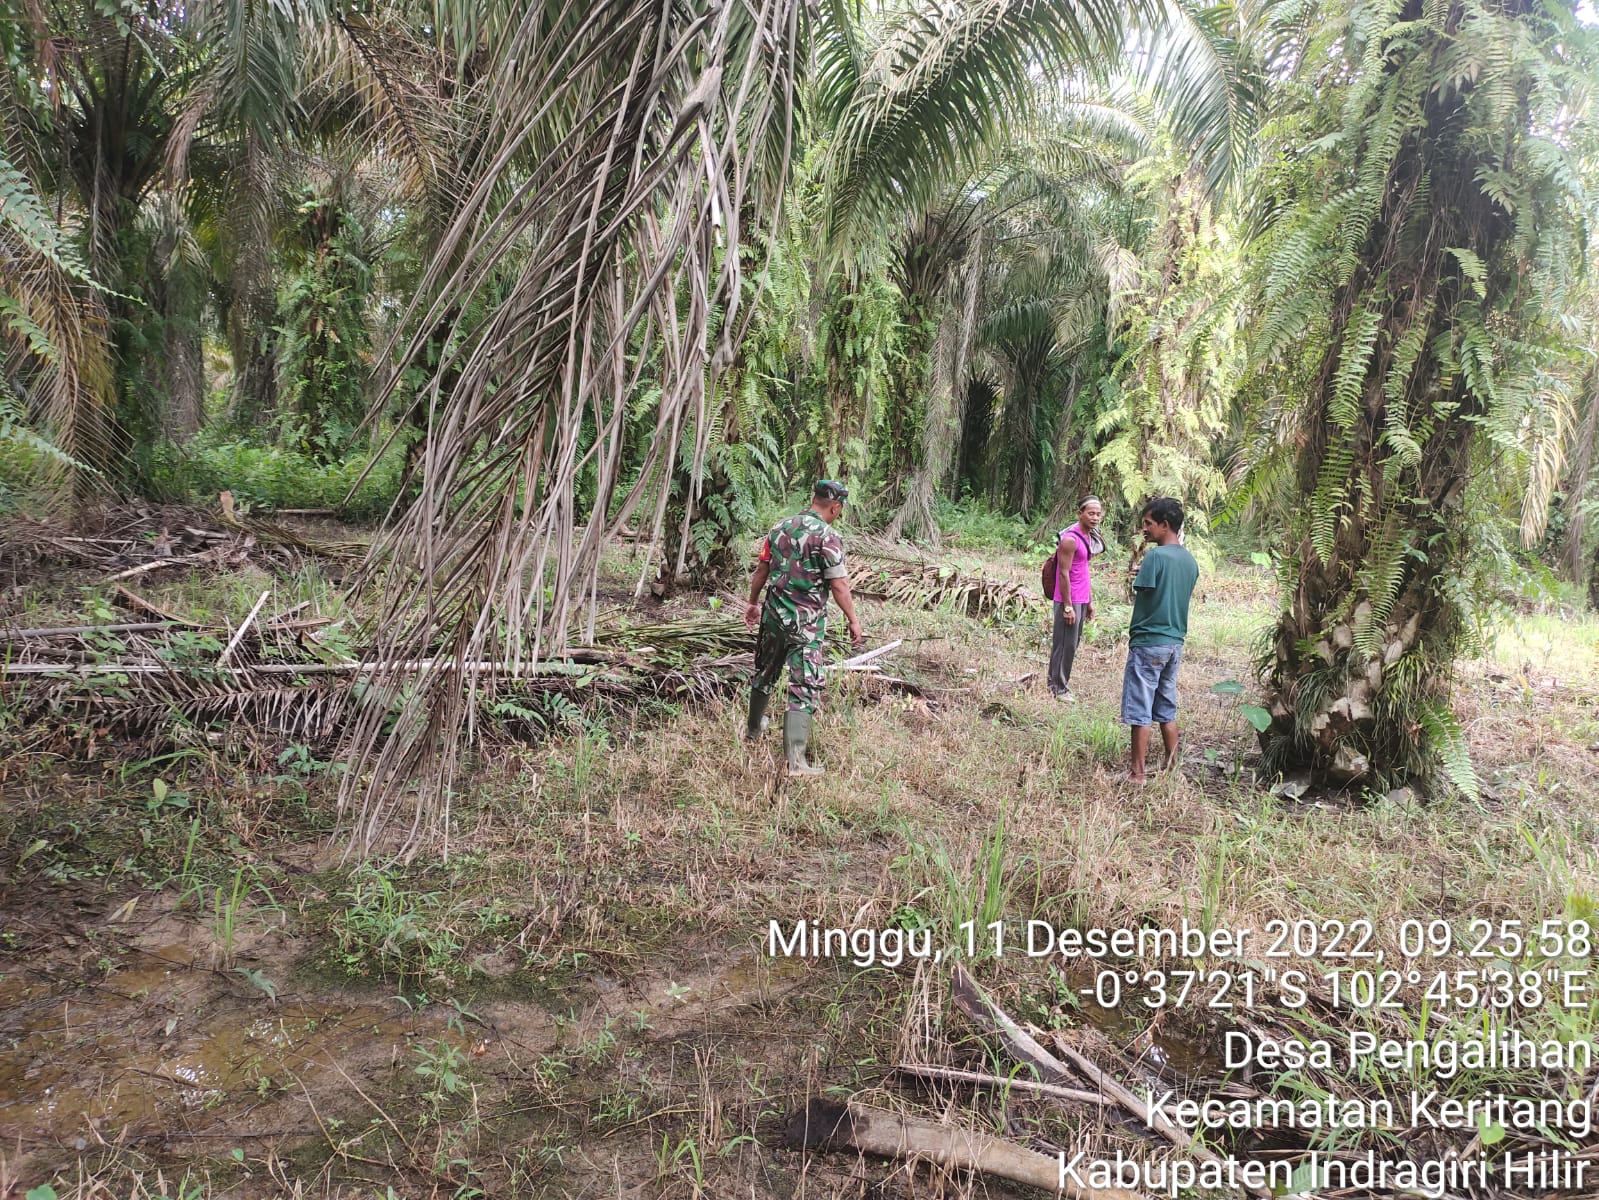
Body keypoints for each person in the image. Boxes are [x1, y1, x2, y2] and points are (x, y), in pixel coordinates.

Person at [744, 480, 865, 776]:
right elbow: (838, 584)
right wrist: (853, 619)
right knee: (803, 685)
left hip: (773, 617)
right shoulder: (829, 536)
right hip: (806, 625)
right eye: (839, 510)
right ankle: (796, 762)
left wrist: (752, 602)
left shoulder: (779, 527)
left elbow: (762, 570)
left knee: (765, 672)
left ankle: (753, 730)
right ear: (835, 507)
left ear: (814, 499)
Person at [1121, 497, 1200, 783]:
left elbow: (1142, 591)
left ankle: (1137, 773)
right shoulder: (1190, 561)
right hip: (1174, 641)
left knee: (1140, 706)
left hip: (1149, 640)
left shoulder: (1155, 557)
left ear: (1165, 525)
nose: (1144, 529)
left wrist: (1139, 574)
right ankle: (1172, 765)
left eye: (1148, 523)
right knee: (1166, 704)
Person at [1049, 495, 1105, 701]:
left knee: (1071, 643)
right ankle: (1057, 688)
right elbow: (1063, 573)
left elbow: (1083, 571)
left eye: (1098, 514)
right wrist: (1067, 606)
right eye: (1091, 513)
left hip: (1081, 598)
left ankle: (1059, 684)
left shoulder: (1089, 537)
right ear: (1079, 513)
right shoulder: (1070, 540)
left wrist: (1088, 602)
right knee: (1064, 643)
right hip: (1068, 600)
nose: (1095, 518)